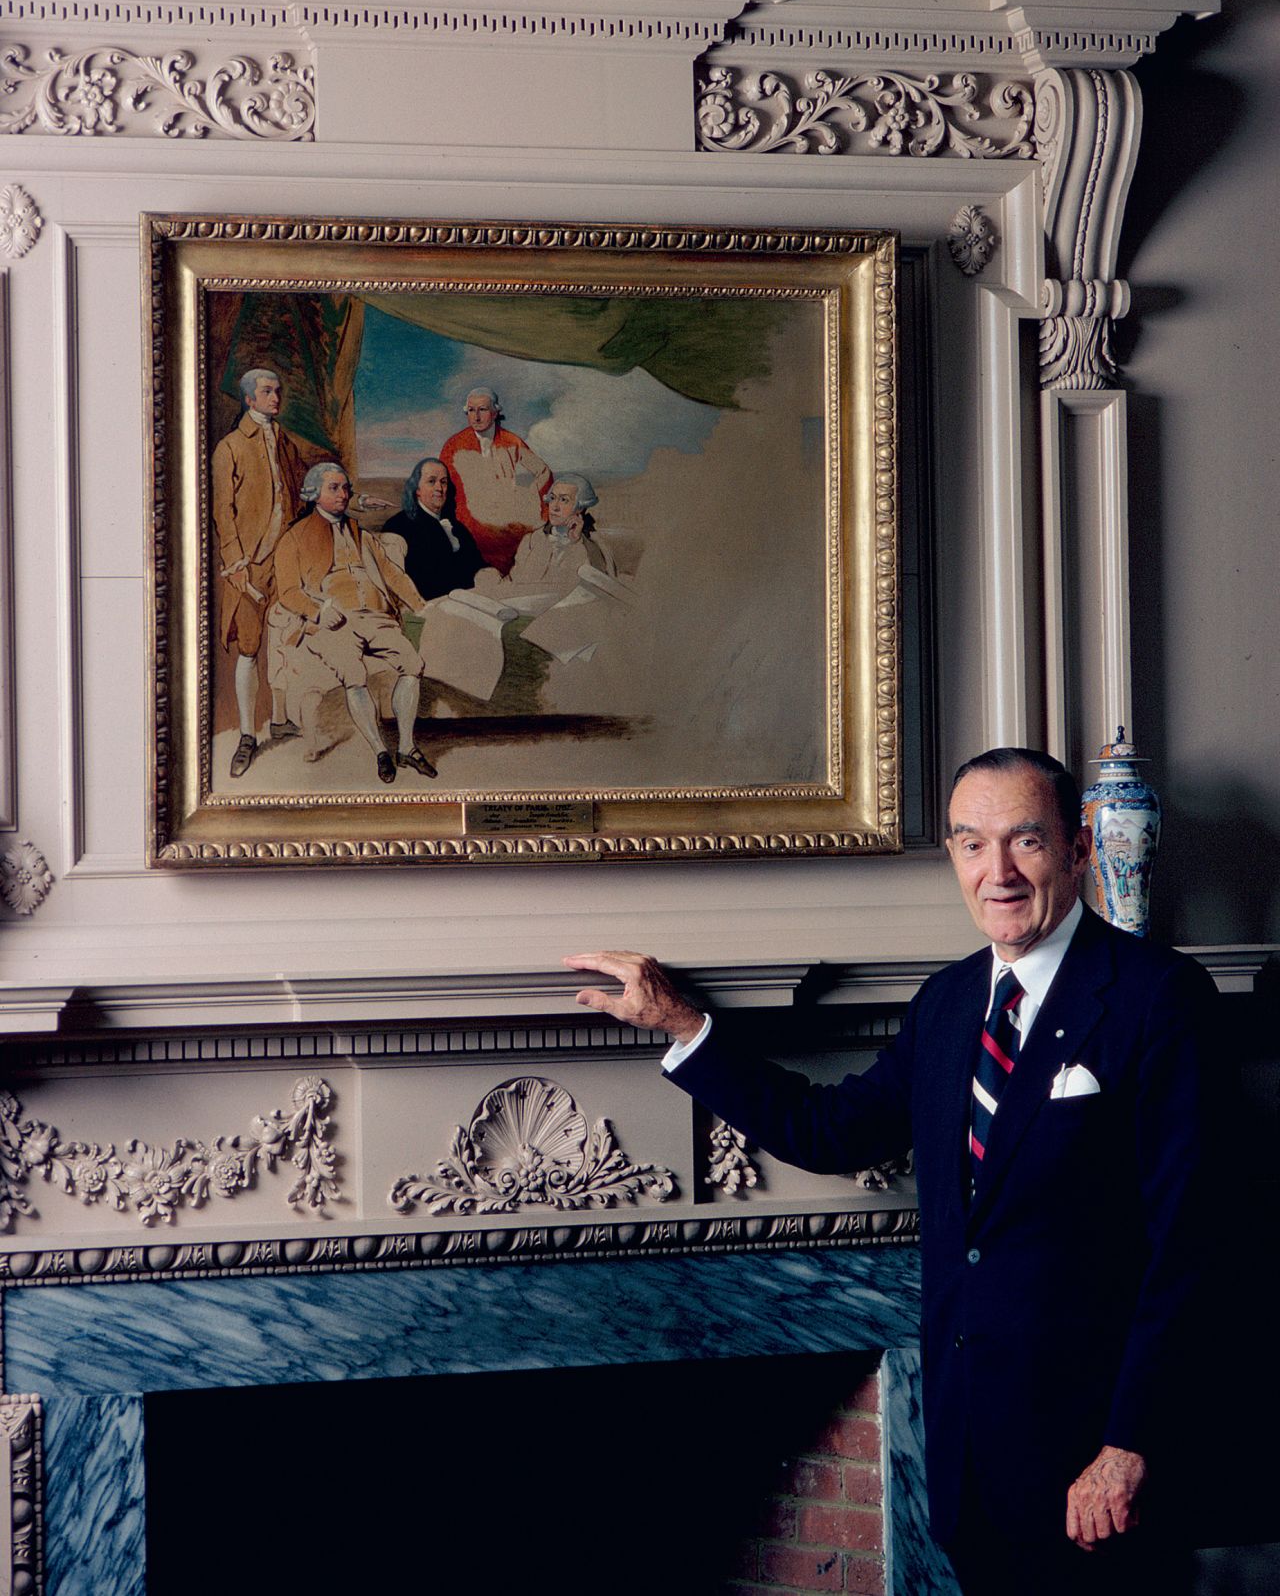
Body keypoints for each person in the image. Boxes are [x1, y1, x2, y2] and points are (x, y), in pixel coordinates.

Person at [563, 748, 1227, 1596]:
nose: (999, 873)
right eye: (971, 844)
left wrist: (1130, 1445)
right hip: (969, 1462)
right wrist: (684, 1026)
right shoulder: (948, 1005)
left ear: (1079, 846)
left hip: (1094, 1465)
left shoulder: (1156, 996)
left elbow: (1194, 1244)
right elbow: (832, 1131)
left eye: (1025, 841)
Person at [272, 463, 437, 783]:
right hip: (332, 623)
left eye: (346, 488)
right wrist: (317, 611)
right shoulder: (294, 538)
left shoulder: (361, 533)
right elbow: (288, 593)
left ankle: (406, 747)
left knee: (413, 663)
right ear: (314, 493)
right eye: (334, 488)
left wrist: (419, 604)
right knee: (354, 672)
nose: (344, 494)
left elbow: (390, 573)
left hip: (376, 618)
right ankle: (379, 750)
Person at [211, 367, 306, 778]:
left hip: (283, 558)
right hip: (248, 565)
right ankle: (248, 736)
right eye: (267, 392)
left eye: (277, 390)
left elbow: (302, 488)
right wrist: (235, 566)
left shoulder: (284, 441)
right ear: (249, 399)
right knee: (249, 647)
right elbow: (222, 512)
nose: (275, 397)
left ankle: (281, 718)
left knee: (285, 639)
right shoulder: (229, 447)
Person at [439, 387, 551, 572]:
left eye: (482, 410)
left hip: (505, 527)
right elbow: (442, 485)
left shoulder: (511, 441)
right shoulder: (454, 445)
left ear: (495, 412)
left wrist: (530, 501)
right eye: (471, 410)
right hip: (466, 524)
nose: (476, 416)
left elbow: (543, 472)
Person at [380, 457, 484, 603]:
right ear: (417, 489)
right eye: (431, 481)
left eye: (443, 482)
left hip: (471, 600)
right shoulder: (398, 526)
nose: (439, 488)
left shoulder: (458, 528)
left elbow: (477, 565)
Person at [495, 472, 615, 591]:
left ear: (580, 507)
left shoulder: (593, 545)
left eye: (564, 500)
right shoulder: (532, 540)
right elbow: (514, 580)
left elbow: (600, 586)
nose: (555, 506)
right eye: (552, 498)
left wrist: (575, 542)